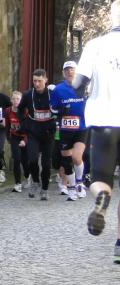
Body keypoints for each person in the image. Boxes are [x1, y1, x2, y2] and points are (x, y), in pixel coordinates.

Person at [71, 0, 120, 264]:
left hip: (104, 120)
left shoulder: (95, 46)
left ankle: (101, 198)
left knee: (101, 176)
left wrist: (86, 94)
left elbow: (78, 83)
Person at [50, 60, 88, 201]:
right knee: (66, 160)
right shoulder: (58, 89)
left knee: (76, 157)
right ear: (63, 73)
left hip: (81, 127)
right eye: (67, 70)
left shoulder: (84, 87)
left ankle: (79, 183)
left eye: (72, 69)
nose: (69, 72)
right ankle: (71, 188)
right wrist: (61, 111)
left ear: (76, 72)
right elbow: (53, 108)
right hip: (65, 128)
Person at [17, 69, 56, 201]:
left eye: (39, 81)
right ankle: (35, 181)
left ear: (46, 80)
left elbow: (61, 107)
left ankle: (44, 189)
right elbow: (20, 109)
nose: (37, 84)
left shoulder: (52, 94)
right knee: (32, 160)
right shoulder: (28, 95)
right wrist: (24, 123)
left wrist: (56, 121)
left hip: (48, 133)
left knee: (46, 163)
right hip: (33, 132)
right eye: (35, 81)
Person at [5, 90, 30, 193]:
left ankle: (28, 176)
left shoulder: (25, 111)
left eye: (18, 99)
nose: (15, 101)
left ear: (21, 100)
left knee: (25, 161)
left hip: (25, 137)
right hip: (14, 137)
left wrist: (25, 140)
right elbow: (7, 125)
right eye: (14, 99)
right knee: (17, 159)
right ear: (11, 100)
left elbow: (29, 128)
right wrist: (8, 137)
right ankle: (18, 183)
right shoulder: (8, 111)